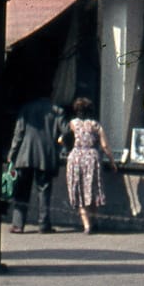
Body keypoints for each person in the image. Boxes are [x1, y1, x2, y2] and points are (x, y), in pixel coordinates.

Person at [6, 91, 65, 233]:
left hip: (25, 154)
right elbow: (65, 131)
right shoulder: (58, 110)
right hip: (46, 154)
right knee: (44, 190)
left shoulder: (26, 108)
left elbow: (18, 133)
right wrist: (61, 146)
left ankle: (18, 224)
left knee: (22, 190)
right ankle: (44, 224)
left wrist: (12, 154)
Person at [62, 95, 112, 234]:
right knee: (93, 190)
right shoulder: (96, 126)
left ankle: (86, 225)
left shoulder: (73, 124)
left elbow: (62, 138)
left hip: (76, 158)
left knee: (79, 191)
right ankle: (94, 221)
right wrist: (112, 162)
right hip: (91, 158)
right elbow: (105, 145)